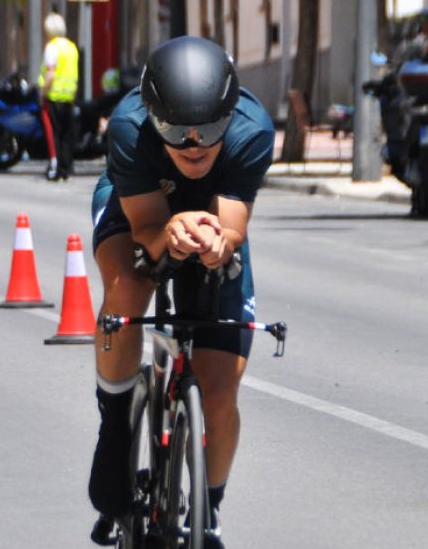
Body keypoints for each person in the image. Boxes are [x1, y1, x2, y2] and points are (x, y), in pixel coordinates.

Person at [87, 37, 274, 549]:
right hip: (141, 200)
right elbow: (146, 225)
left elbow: (232, 225)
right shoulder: (129, 129)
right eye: (175, 132)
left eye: (210, 130)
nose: (194, 145)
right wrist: (164, 234)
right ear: (153, 118)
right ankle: (116, 429)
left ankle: (208, 514)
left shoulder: (253, 131)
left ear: (230, 115)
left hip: (212, 208)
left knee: (219, 389)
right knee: (130, 282)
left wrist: (218, 243)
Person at [39, 12, 79, 180]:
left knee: (53, 133)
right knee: (66, 134)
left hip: (54, 96)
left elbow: (50, 74)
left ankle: (55, 168)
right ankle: (66, 167)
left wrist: (43, 93)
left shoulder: (52, 47)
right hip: (69, 96)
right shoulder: (71, 47)